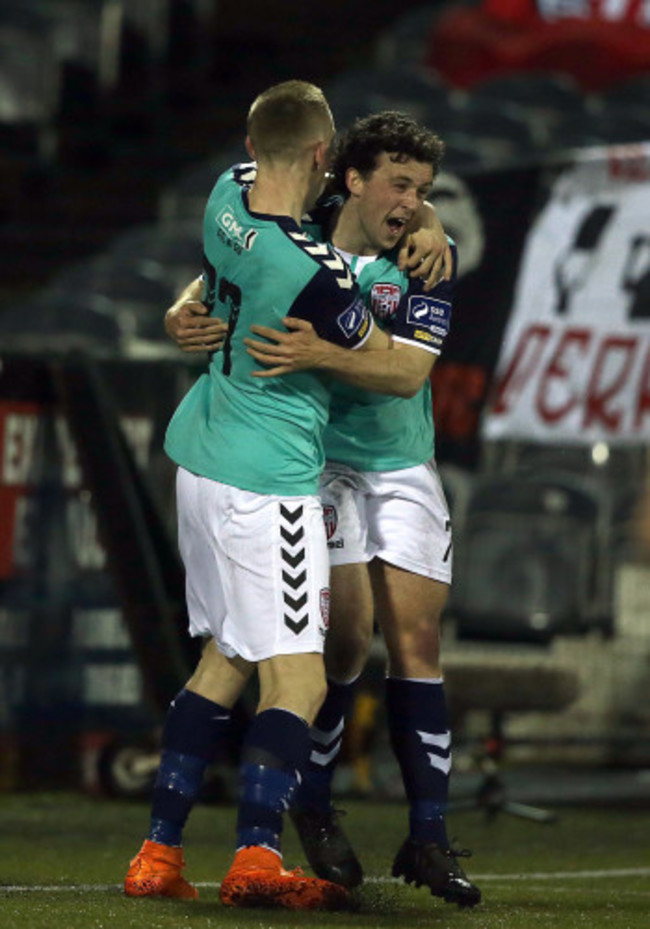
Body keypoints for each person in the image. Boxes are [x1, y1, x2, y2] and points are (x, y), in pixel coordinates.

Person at [162, 111, 481, 909]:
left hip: (401, 462)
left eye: (423, 190)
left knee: (417, 639)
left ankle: (430, 834)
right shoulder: (304, 227)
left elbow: (406, 375)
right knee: (341, 639)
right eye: (399, 185)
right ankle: (312, 805)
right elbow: (229, 270)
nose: (412, 203)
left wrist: (321, 352)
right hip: (320, 464)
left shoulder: (427, 256)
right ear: (350, 178)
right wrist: (180, 307)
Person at [123, 79, 395, 912]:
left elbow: (216, 274)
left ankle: (158, 852)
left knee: (226, 658)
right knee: (299, 680)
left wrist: (183, 308)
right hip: (265, 482)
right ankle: (256, 857)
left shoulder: (224, 196)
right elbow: (385, 364)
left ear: (252, 146)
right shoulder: (316, 275)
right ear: (323, 154)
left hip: (200, 458)